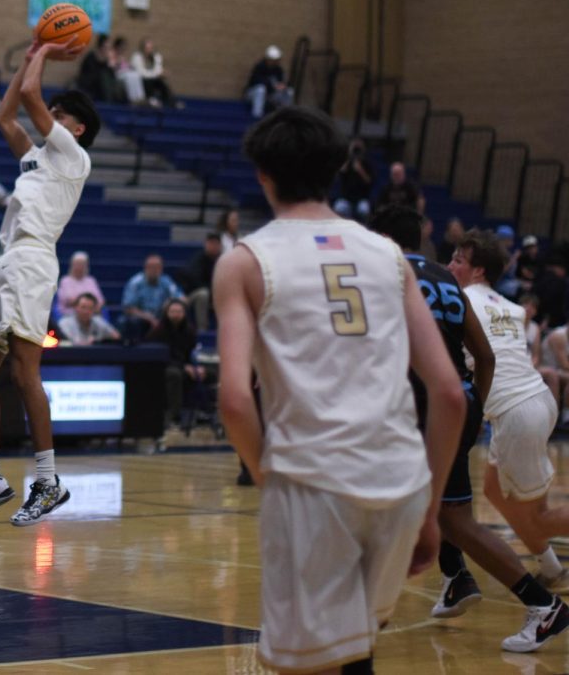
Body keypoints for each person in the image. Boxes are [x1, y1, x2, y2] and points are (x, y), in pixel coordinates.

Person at [213, 105, 465, 673]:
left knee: (306, 665)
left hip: (312, 483)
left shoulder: (246, 261)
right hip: (398, 483)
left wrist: (265, 474)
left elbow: (234, 399)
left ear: (262, 174)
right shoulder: (389, 256)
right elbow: (449, 392)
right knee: (357, 652)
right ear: (334, 171)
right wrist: (426, 509)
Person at [370, 204, 569, 649]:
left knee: (376, 509)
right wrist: (474, 404)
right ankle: (531, 598)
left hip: (421, 410)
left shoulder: (387, 275)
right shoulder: (450, 282)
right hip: (470, 403)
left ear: (380, 238)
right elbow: (488, 356)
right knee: (462, 517)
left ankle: (360, 618)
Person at [0, 32, 100, 526]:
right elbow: (5, 115)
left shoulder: (75, 157)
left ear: (75, 127)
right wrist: (31, 57)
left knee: (23, 372)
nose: (49, 116)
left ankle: (48, 482)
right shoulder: (36, 159)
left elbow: (32, 98)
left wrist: (47, 54)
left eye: (60, 113)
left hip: (34, 259)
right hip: (6, 261)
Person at [448, 231, 569, 606]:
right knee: (496, 493)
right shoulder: (512, 306)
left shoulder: (460, 299)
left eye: (458, 260)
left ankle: (548, 578)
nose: (450, 266)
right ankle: (552, 569)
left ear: (478, 269)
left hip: (518, 412)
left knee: (537, 518)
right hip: (536, 403)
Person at [144, 298, 201, 431]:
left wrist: (195, 367)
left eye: (179, 311)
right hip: (162, 366)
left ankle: (202, 415)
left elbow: (191, 353)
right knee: (174, 374)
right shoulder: (157, 332)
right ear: (167, 313)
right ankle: (174, 415)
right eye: (173, 311)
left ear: (184, 313)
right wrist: (184, 367)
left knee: (209, 373)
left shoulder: (189, 331)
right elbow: (158, 356)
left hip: (183, 365)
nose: (176, 314)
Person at [120, 254, 183, 341]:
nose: (154, 270)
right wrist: (150, 319)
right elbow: (129, 309)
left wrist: (170, 303)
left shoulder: (166, 281)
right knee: (131, 322)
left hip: (162, 319)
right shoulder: (135, 283)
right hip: (142, 319)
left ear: (161, 269)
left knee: (178, 316)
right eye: (151, 267)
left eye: (158, 267)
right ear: (145, 268)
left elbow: (182, 299)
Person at [244, 44, 293, 118]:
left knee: (289, 91)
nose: (275, 62)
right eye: (273, 60)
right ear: (268, 59)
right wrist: (273, 85)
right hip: (253, 94)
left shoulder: (278, 70)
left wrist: (283, 86)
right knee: (261, 89)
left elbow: (282, 82)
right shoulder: (259, 67)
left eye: (277, 60)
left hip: (270, 95)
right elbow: (256, 81)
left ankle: (286, 116)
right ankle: (257, 115)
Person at [333, 137, 374, 220]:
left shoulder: (367, 163)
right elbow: (341, 173)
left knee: (364, 210)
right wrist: (349, 154)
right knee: (339, 208)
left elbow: (369, 181)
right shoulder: (347, 162)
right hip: (346, 198)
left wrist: (360, 170)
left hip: (361, 198)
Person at [130, 39, 176, 108]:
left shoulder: (155, 57)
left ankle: (171, 102)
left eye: (151, 48)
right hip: (140, 81)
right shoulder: (136, 57)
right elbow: (141, 73)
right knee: (149, 81)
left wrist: (159, 73)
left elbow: (158, 69)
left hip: (153, 80)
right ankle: (150, 99)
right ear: (142, 49)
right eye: (148, 48)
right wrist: (156, 74)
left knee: (161, 83)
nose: (150, 50)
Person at [55, 251, 104, 315]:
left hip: (92, 314)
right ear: (72, 265)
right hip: (70, 314)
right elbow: (68, 300)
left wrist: (95, 307)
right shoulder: (65, 281)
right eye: (77, 264)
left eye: (82, 264)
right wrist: (87, 306)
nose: (79, 267)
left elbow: (100, 300)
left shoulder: (91, 280)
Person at [76, 35, 121, 104]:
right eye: (106, 47)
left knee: (109, 79)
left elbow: (112, 76)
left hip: (101, 86)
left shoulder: (106, 59)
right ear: (101, 46)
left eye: (108, 47)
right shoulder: (91, 56)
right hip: (89, 83)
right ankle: (109, 100)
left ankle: (113, 99)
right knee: (103, 77)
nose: (107, 49)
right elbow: (90, 73)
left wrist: (110, 64)